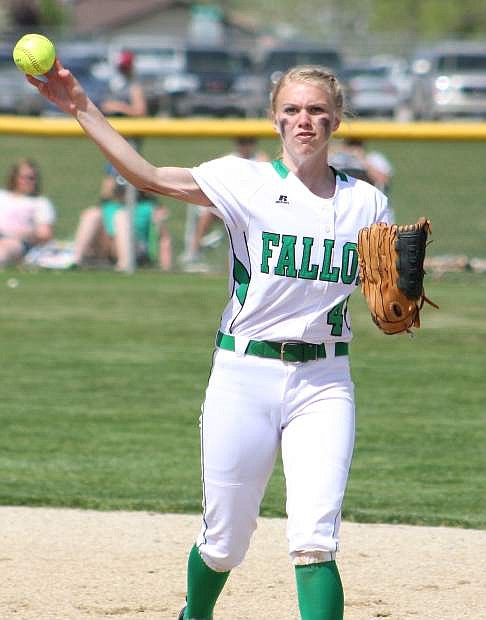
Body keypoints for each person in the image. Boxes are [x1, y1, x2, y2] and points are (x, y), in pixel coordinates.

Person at [28, 61, 392, 619]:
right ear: (275, 119)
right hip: (245, 374)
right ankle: (194, 614)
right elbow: (147, 176)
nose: (304, 121)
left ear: (336, 120)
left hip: (325, 379)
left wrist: (398, 302)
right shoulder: (243, 180)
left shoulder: (366, 203)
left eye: (317, 111)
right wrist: (80, 104)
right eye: (292, 110)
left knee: (315, 539)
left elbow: (383, 291)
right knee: (225, 543)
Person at [182, 136, 269, 271]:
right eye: (242, 142)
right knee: (207, 214)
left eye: (248, 142)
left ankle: (237, 265)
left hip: (250, 207)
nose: (245, 146)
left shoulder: (260, 159)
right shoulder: (229, 159)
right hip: (229, 204)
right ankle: (194, 251)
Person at [71, 175, 171, 271]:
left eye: (124, 191)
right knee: (92, 214)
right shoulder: (108, 206)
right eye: (120, 191)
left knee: (121, 216)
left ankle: (125, 263)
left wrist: (166, 267)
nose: (122, 194)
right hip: (108, 246)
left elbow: (164, 238)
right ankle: (75, 259)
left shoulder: (147, 207)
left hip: (136, 248)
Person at [0, 158, 56, 266]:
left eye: (32, 178)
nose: (28, 181)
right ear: (15, 178)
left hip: (18, 242)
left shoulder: (40, 202)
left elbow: (44, 233)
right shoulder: (2, 196)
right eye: (24, 178)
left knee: (3, 248)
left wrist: (18, 234)